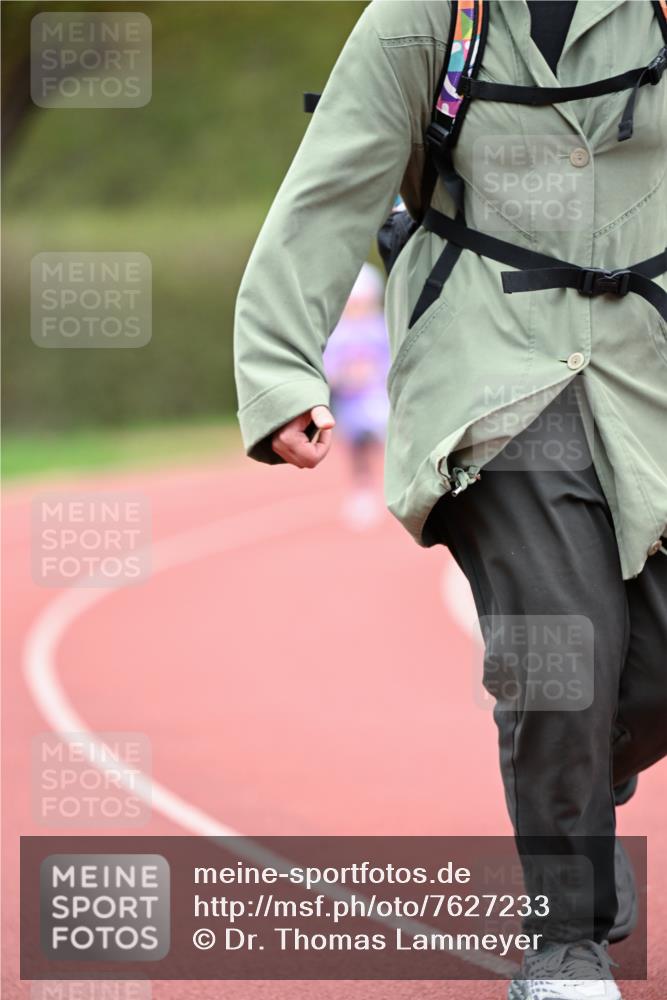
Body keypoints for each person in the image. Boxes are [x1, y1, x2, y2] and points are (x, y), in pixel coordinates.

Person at [234, 2, 667, 997]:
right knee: (558, 639)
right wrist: (278, 365)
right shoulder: (430, 16)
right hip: (492, 360)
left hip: (650, 357)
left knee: (629, 674)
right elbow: (333, 186)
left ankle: (585, 767)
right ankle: (565, 942)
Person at [322, 261, 390, 528]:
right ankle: (363, 490)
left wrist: (375, 374)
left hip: (379, 400)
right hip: (351, 403)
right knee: (357, 448)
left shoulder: (381, 327)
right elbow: (329, 368)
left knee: (386, 443)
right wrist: (344, 377)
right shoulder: (338, 332)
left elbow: (392, 360)